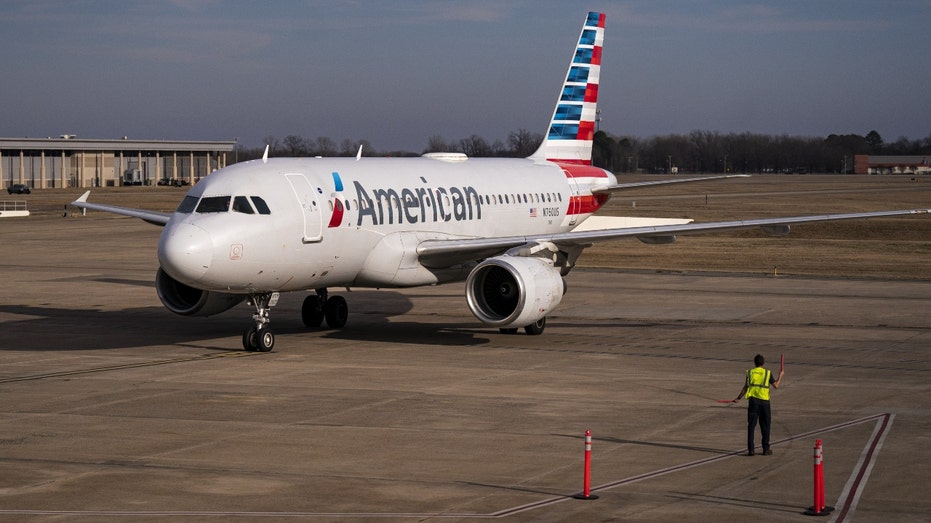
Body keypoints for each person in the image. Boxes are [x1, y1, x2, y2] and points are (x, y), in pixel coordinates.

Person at [735, 354, 784, 456]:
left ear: (754, 363)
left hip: (753, 402)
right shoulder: (767, 373)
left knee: (751, 426)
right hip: (765, 403)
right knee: (765, 426)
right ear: (763, 363)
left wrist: (738, 398)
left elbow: (746, 387)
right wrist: (781, 375)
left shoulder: (750, 372)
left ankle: (751, 450)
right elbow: (776, 385)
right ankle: (766, 449)